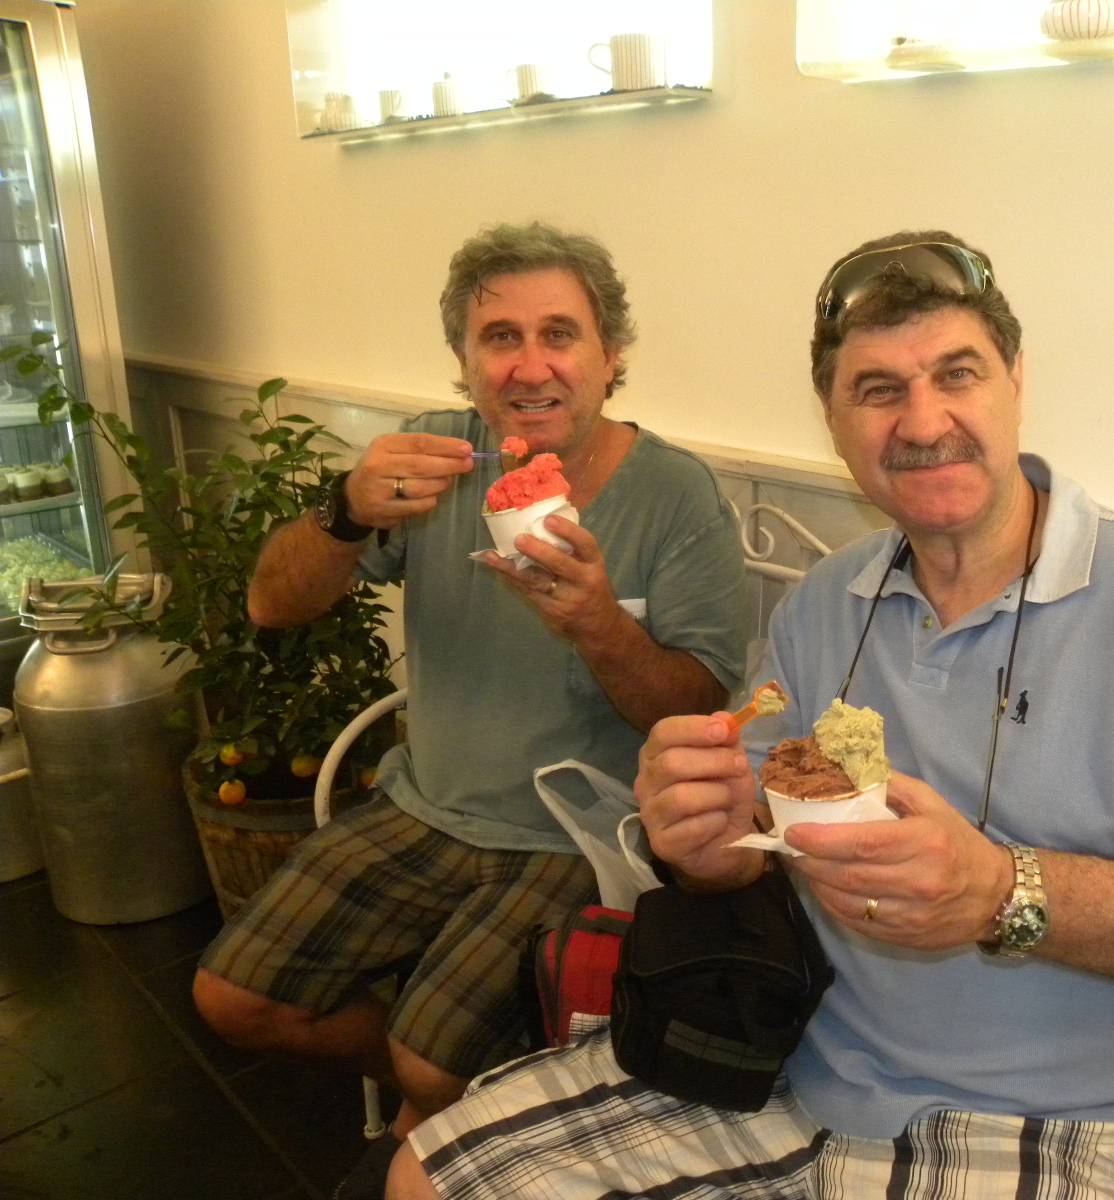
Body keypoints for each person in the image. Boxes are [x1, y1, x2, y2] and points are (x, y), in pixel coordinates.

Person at [386, 231, 1114, 1200]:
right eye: (877, 390)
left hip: (1051, 1121)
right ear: (834, 423)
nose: (924, 420)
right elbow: (745, 840)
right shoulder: (828, 603)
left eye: (956, 374)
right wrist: (702, 837)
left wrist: (1000, 889)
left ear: (1014, 382)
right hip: (792, 1061)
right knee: (426, 1179)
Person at [190, 222, 749, 1178]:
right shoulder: (437, 460)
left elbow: (698, 708)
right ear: (464, 360)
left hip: (575, 833)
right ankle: (460, 1104)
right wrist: (343, 510)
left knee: (429, 1063)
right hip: (422, 803)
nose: (530, 366)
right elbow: (271, 605)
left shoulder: (674, 495)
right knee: (230, 1001)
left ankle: (438, 1108)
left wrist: (598, 624)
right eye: (500, 338)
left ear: (611, 354)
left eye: (559, 334)